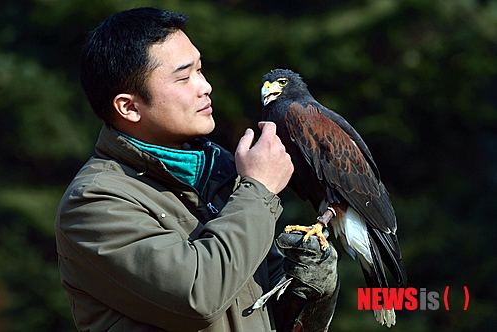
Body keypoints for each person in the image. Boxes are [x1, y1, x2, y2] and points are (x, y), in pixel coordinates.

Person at [55, 7, 339, 332]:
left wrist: (309, 289)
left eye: (201, 70)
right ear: (129, 107)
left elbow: (257, 307)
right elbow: (197, 297)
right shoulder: (94, 203)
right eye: (184, 76)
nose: (205, 87)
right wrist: (258, 190)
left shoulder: (219, 171)